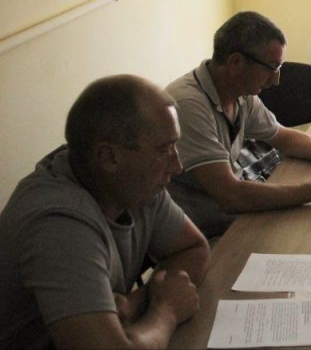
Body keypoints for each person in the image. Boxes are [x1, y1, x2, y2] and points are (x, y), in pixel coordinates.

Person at [0, 75, 210, 349]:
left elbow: (194, 249)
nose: (177, 165)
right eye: (164, 149)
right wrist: (166, 310)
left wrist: (136, 302)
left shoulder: (134, 184)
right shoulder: (58, 224)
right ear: (108, 157)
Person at [167, 11, 311, 238]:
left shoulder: (239, 92)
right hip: (203, 234)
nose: (276, 80)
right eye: (272, 67)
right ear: (235, 62)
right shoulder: (188, 105)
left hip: (234, 216)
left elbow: (283, 137)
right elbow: (231, 196)